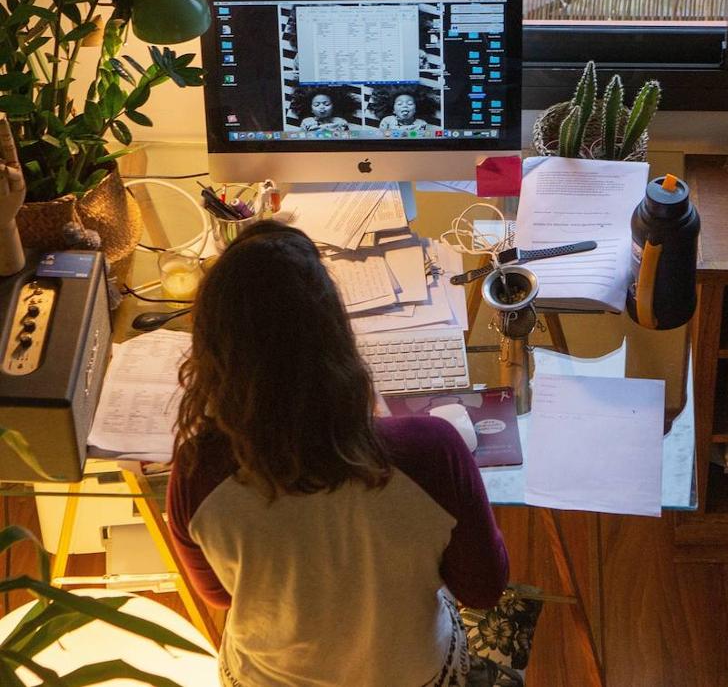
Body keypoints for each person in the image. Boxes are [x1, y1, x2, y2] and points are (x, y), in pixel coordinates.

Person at [167, 221, 509, 687]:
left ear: (213, 354)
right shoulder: (431, 451)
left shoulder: (195, 470)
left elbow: (220, 596)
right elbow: (483, 590)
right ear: (336, 337)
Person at [371, 83, 438, 135]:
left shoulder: (421, 124)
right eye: (399, 104)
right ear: (393, 110)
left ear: (416, 109)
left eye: (410, 104)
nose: (405, 106)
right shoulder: (387, 121)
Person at [290, 85, 356, 132]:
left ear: (334, 106)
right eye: (316, 105)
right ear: (311, 109)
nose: (322, 107)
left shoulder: (341, 122)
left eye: (326, 104)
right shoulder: (307, 122)